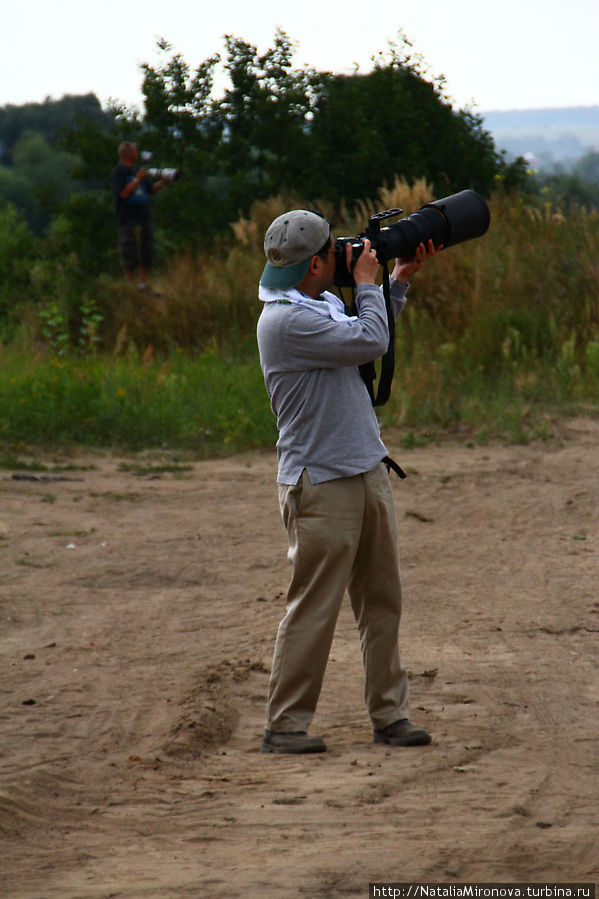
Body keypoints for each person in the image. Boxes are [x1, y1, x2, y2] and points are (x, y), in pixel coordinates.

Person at [256, 209, 439, 754]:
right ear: (316, 263)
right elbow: (370, 342)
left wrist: (395, 283)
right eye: (335, 250)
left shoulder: (317, 303)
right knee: (314, 607)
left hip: (364, 468)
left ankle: (391, 716)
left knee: (382, 602)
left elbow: (363, 337)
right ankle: (285, 726)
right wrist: (367, 283)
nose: (344, 255)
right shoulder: (286, 321)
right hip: (321, 484)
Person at [110, 141, 170, 291]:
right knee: (129, 250)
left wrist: (164, 181)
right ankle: (130, 285)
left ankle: (143, 283)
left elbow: (151, 190)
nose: (137, 154)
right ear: (129, 154)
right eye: (135, 151)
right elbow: (122, 194)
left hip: (143, 216)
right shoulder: (119, 172)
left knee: (146, 250)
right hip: (127, 217)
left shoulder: (139, 171)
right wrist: (137, 179)